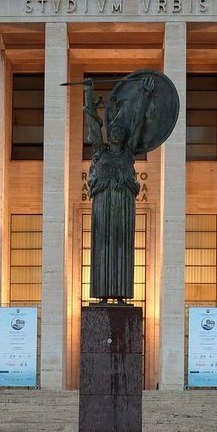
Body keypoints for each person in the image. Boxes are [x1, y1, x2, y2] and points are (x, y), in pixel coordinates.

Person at [81, 75, 155, 302]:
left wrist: (144, 95)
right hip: (103, 207)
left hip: (123, 207)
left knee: (122, 247)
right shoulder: (99, 152)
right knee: (102, 246)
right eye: (112, 130)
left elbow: (137, 123)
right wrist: (88, 93)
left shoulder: (127, 153)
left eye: (119, 132)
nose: (115, 132)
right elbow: (93, 122)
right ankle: (102, 295)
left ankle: (121, 295)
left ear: (123, 138)